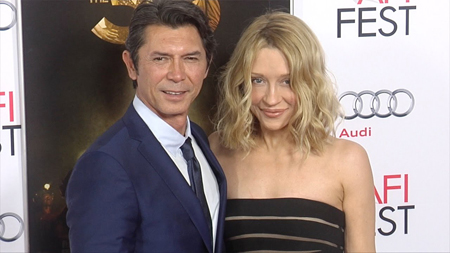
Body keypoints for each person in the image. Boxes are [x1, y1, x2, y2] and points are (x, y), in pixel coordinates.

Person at [66, 1, 227, 252]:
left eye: (190, 58)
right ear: (132, 65)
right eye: (161, 59)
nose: (177, 74)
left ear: (207, 65)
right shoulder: (105, 164)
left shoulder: (198, 139)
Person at [209, 11, 375, 252]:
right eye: (258, 80)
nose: (272, 98)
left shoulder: (348, 161)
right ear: (241, 83)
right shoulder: (217, 150)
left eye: (287, 81)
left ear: (309, 83)